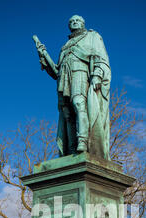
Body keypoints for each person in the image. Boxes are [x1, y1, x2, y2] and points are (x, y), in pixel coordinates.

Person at [34, 15, 111, 159]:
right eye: (71, 21)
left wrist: (97, 75)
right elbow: (57, 71)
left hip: (80, 74)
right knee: (67, 113)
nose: (74, 22)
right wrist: (44, 56)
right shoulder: (65, 46)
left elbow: (101, 57)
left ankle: (83, 140)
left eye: (77, 20)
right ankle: (71, 148)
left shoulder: (92, 36)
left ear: (83, 23)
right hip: (64, 80)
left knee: (78, 103)